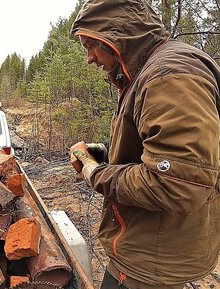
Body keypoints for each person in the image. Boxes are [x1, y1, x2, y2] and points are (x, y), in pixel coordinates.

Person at [68, 1, 220, 289]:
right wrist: (104, 154)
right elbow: (175, 157)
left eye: (91, 45)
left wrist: (93, 172)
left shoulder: (168, 76)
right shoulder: (151, 69)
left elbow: (177, 183)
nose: (89, 58)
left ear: (116, 37)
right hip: (149, 252)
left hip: (150, 266)